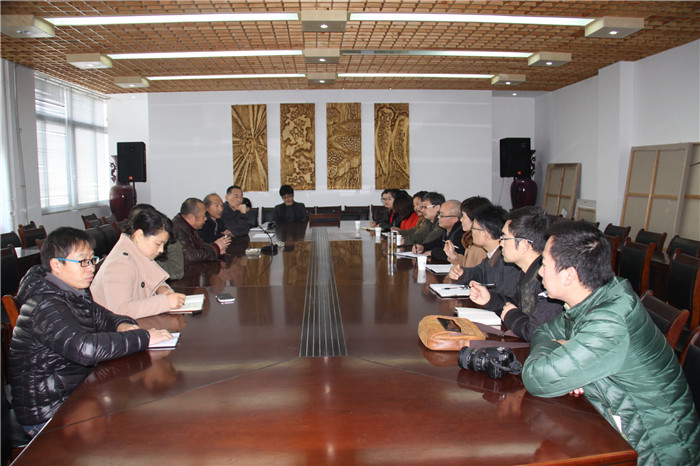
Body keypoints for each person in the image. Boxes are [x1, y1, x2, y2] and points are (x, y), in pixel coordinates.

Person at [522, 221, 700, 465]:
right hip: (617, 425)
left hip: (654, 451)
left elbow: (537, 378)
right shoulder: (597, 297)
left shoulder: (610, 321)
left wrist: (562, 352)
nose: (540, 272)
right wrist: (569, 358)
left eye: (544, 264)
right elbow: (543, 331)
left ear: (569, 275)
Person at [9, 227, 172, 437]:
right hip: (49, 413)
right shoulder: (44, 304)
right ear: (56, 265)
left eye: (92, 260)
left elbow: (104, 316)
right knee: (130, 430)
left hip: (77, 395)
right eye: (83, 262)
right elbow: (84, 349)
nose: (91, 268)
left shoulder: (72, 291)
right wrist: (144, 337)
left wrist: (121, 324)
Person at [468, 207, 563, 341]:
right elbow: (516, 304)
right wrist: (489, 299)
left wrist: (511, 316)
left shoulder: (546, 279)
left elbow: (536, 332)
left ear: (524, 245)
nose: (501, 244)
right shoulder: (526, 272)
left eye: (505, 238)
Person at [91, 209, 187, 319]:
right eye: (158, 244)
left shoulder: (138, 253)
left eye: (163, 245)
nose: (161, 250)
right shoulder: (119, 264)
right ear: (139, 235)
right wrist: (166, 302)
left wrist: (162, 289)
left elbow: (152, 278)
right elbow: (120, 310)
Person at [447, 204, 520, 300]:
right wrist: (461, 273)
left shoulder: (508, 263)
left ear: (485, 234)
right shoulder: (491, 256)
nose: (471, 232)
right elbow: (478, 273)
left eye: (474, 228)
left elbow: (507, 298)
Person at [127, 204, 184, 281]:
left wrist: (162, 287)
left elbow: (176, 272)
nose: (161, 250)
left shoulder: (167, 239)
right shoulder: (122, 254)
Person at [172, 198, 230, 267]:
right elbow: (189, 257)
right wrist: (215, 248)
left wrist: (217, 249)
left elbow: (201, 245)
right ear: (191, 217)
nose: (206, 219)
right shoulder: (178, 229)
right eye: (203, 216)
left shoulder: (190, 225)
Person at [444, 196, 491, 268]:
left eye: (463, 216)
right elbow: (467, 264)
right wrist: (453, 256)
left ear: (474, 219)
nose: (461, 220)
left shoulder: (481, 247)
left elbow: (474, 271)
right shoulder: (470, 239)